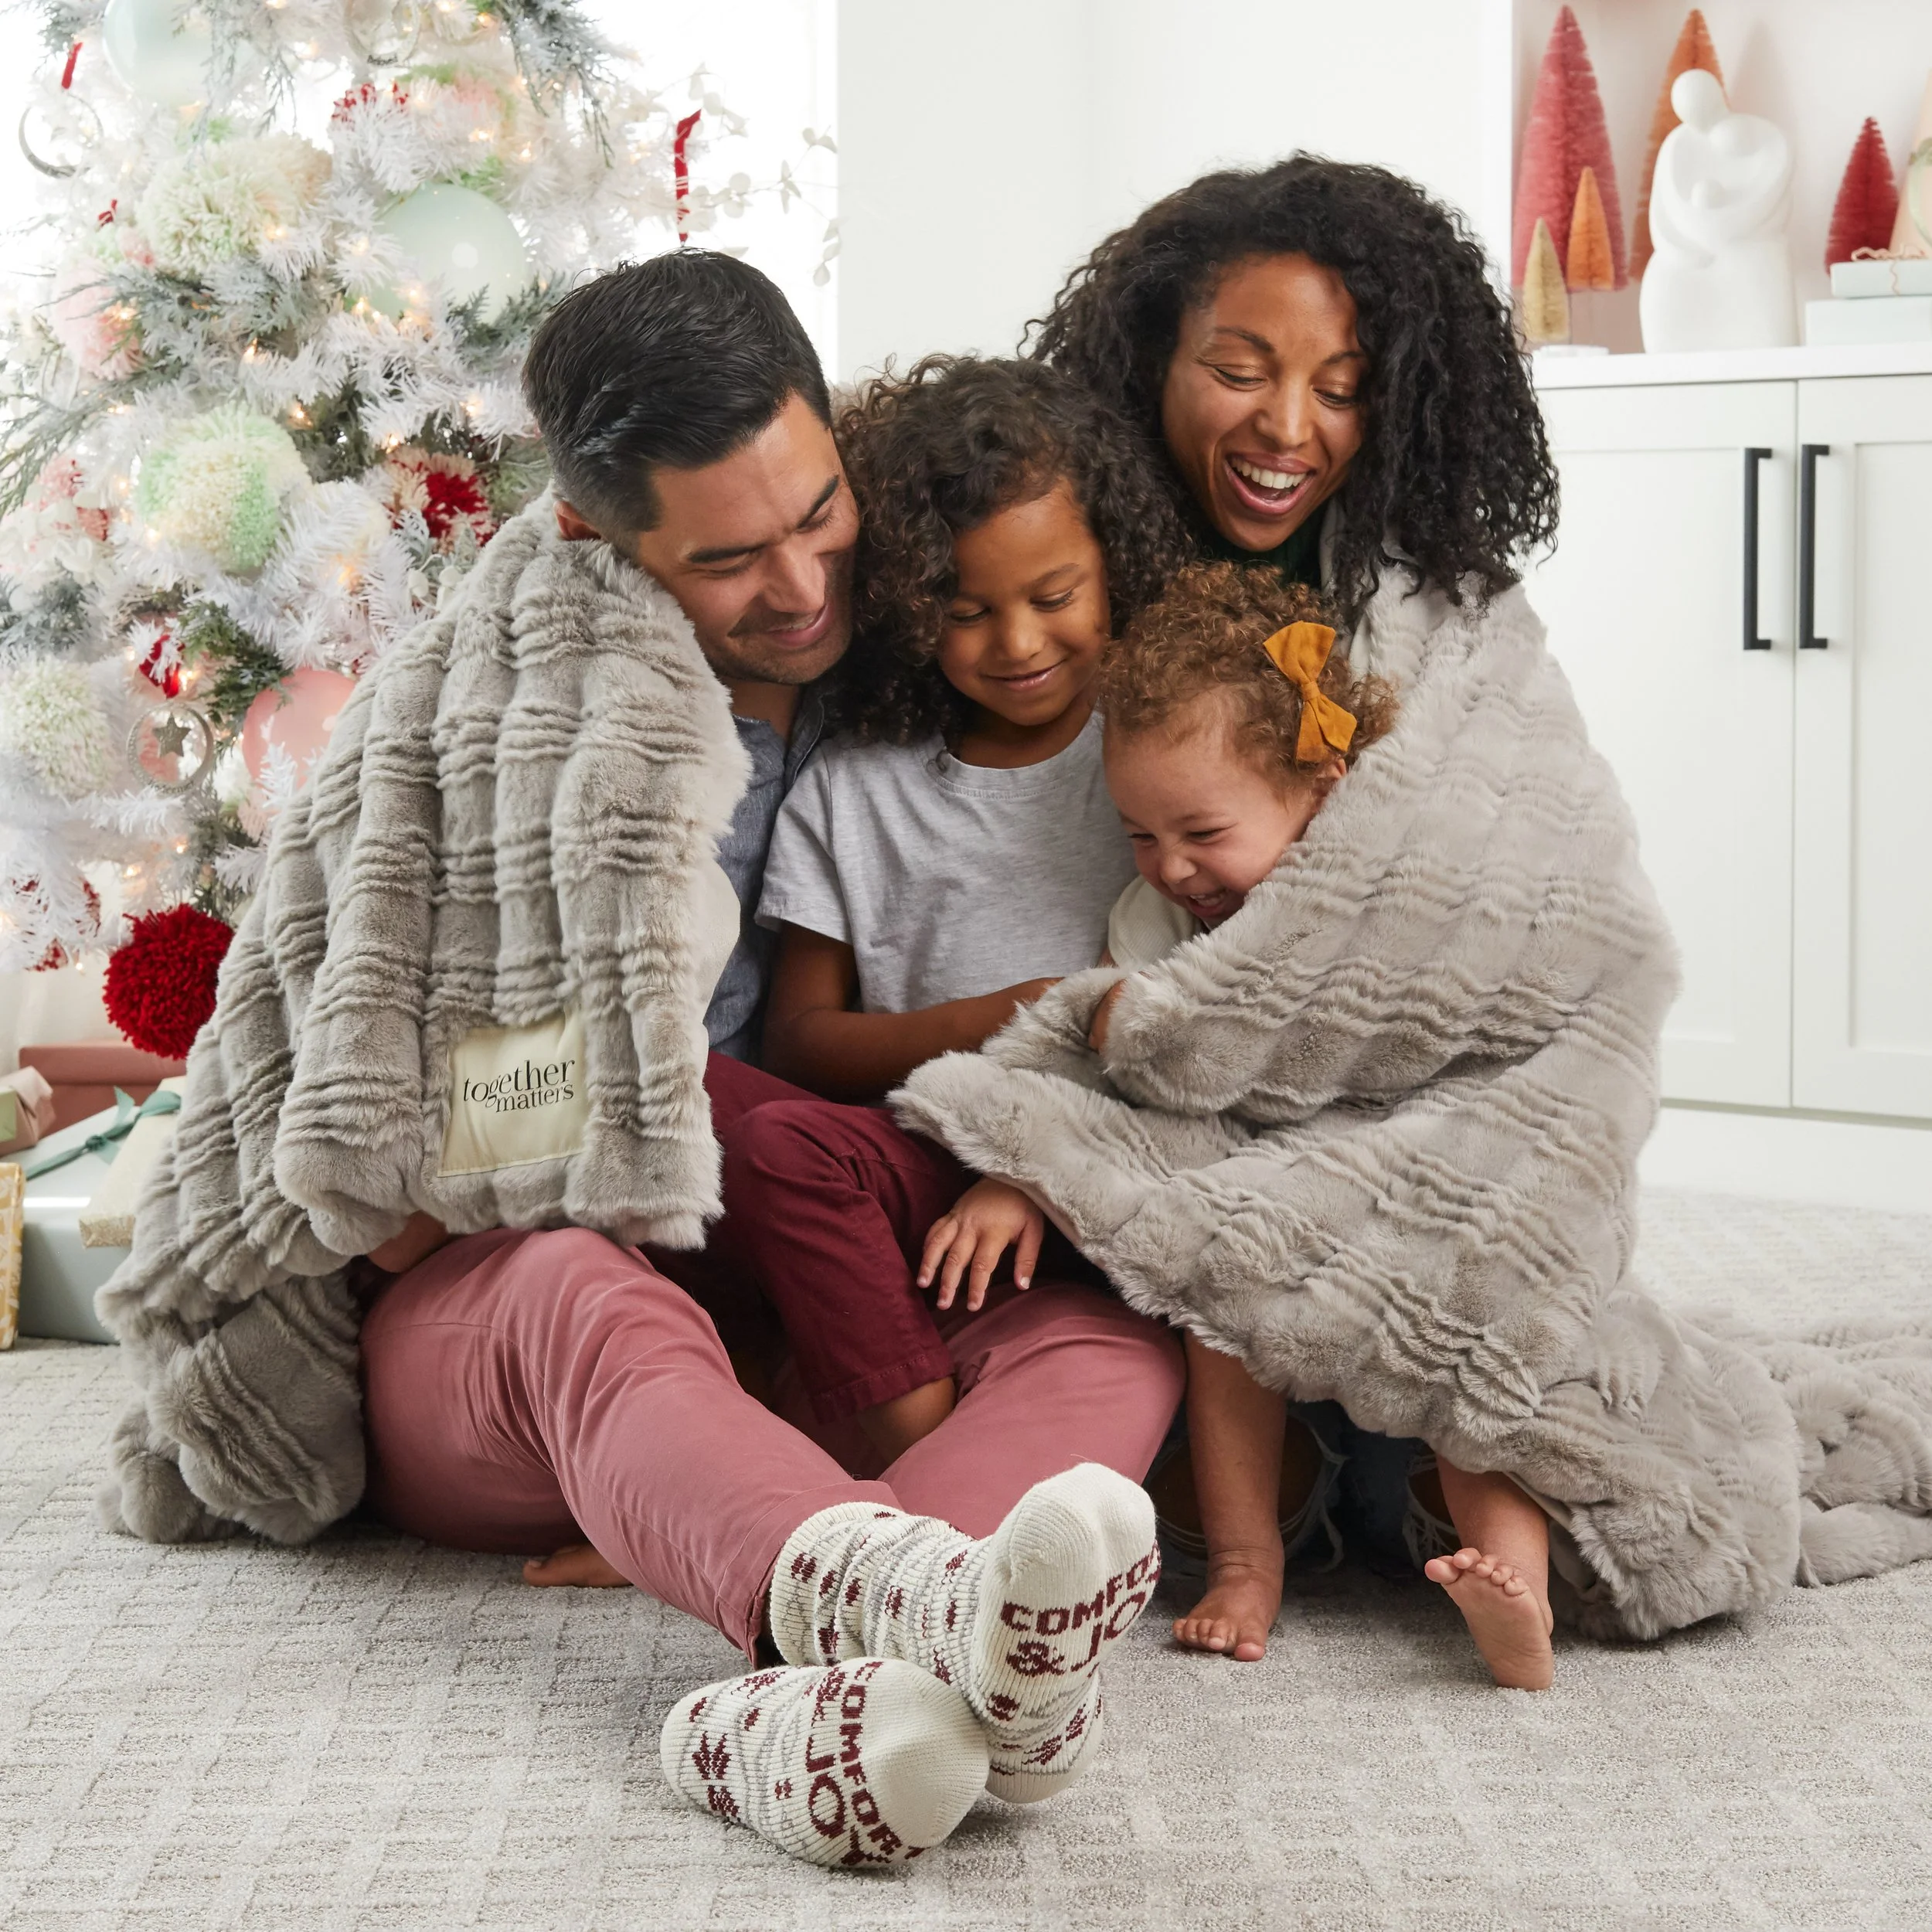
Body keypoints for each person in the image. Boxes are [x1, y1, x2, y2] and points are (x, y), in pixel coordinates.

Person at [349, 257, 1185, 1867]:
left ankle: (807, 1683)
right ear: (602, 536)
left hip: (801, 1283)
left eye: (820, 515)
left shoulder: (886, 677)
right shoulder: (503, 733)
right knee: (574, 1285)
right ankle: (857, 1574)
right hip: (502, 1322)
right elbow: (404, 1182)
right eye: (731, 561)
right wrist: (645, 1100)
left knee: (1108, 1329)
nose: (805, 585)